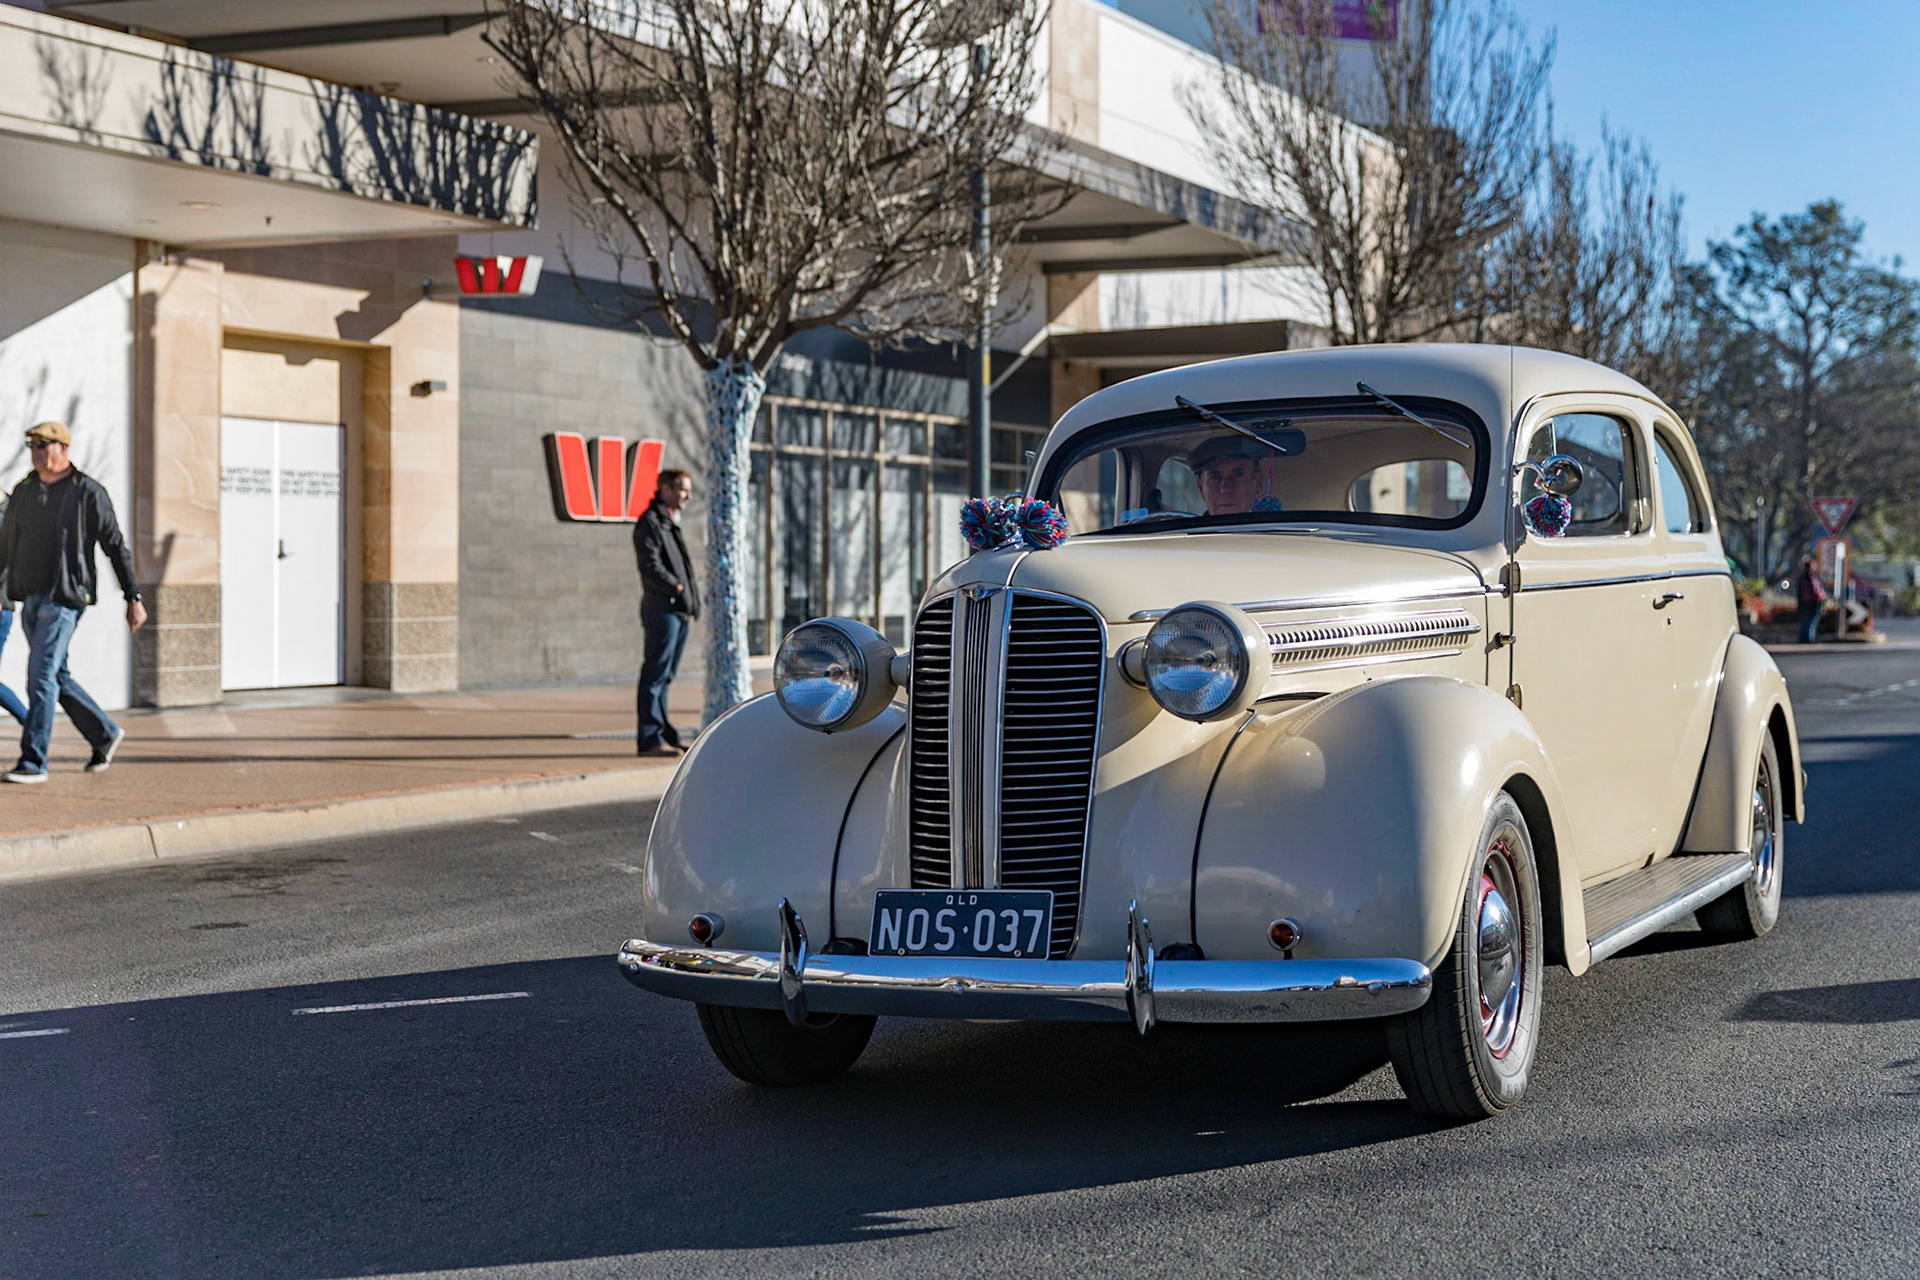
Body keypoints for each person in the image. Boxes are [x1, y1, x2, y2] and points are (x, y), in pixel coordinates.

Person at [0, 421, 145, 782]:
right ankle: (104, 732)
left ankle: (34, 762)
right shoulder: (24, 491)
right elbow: (4, 546)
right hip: (31, 597)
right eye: (32, 445)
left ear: (63, 448)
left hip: (65, 598)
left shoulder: (87, 492)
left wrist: (133, 597)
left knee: (40, 676)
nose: (36, 452)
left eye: (43, 445)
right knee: (56, 675)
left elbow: (115, 546)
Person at [633, 468, 697, 757]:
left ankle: (663, 733)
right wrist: (678, 588)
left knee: (665, 675)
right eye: (683, 489)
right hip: (663, 610)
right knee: (655, 674)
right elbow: (650, 567)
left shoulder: (669, 521)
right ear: (667, 489)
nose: (688, 495)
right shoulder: (650, 523)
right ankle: (649, 740)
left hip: (678, 611)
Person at [1188, 435, 1277, 516]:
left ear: (1258, 482)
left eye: (1238, 475)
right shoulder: (1182, 532)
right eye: (1215, 477)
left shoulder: (1281, 531)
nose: (1225, 488)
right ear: (1201, 487)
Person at [1794, 556, 1827, 644]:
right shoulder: (1812, 577)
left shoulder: (1801, 577)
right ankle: (1809, 639)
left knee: (1804, 622)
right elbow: (1817, 591)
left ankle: (1803, 639)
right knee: (1812, 622)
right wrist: (1822, 597)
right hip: (1813, 603)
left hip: (1803, 604)